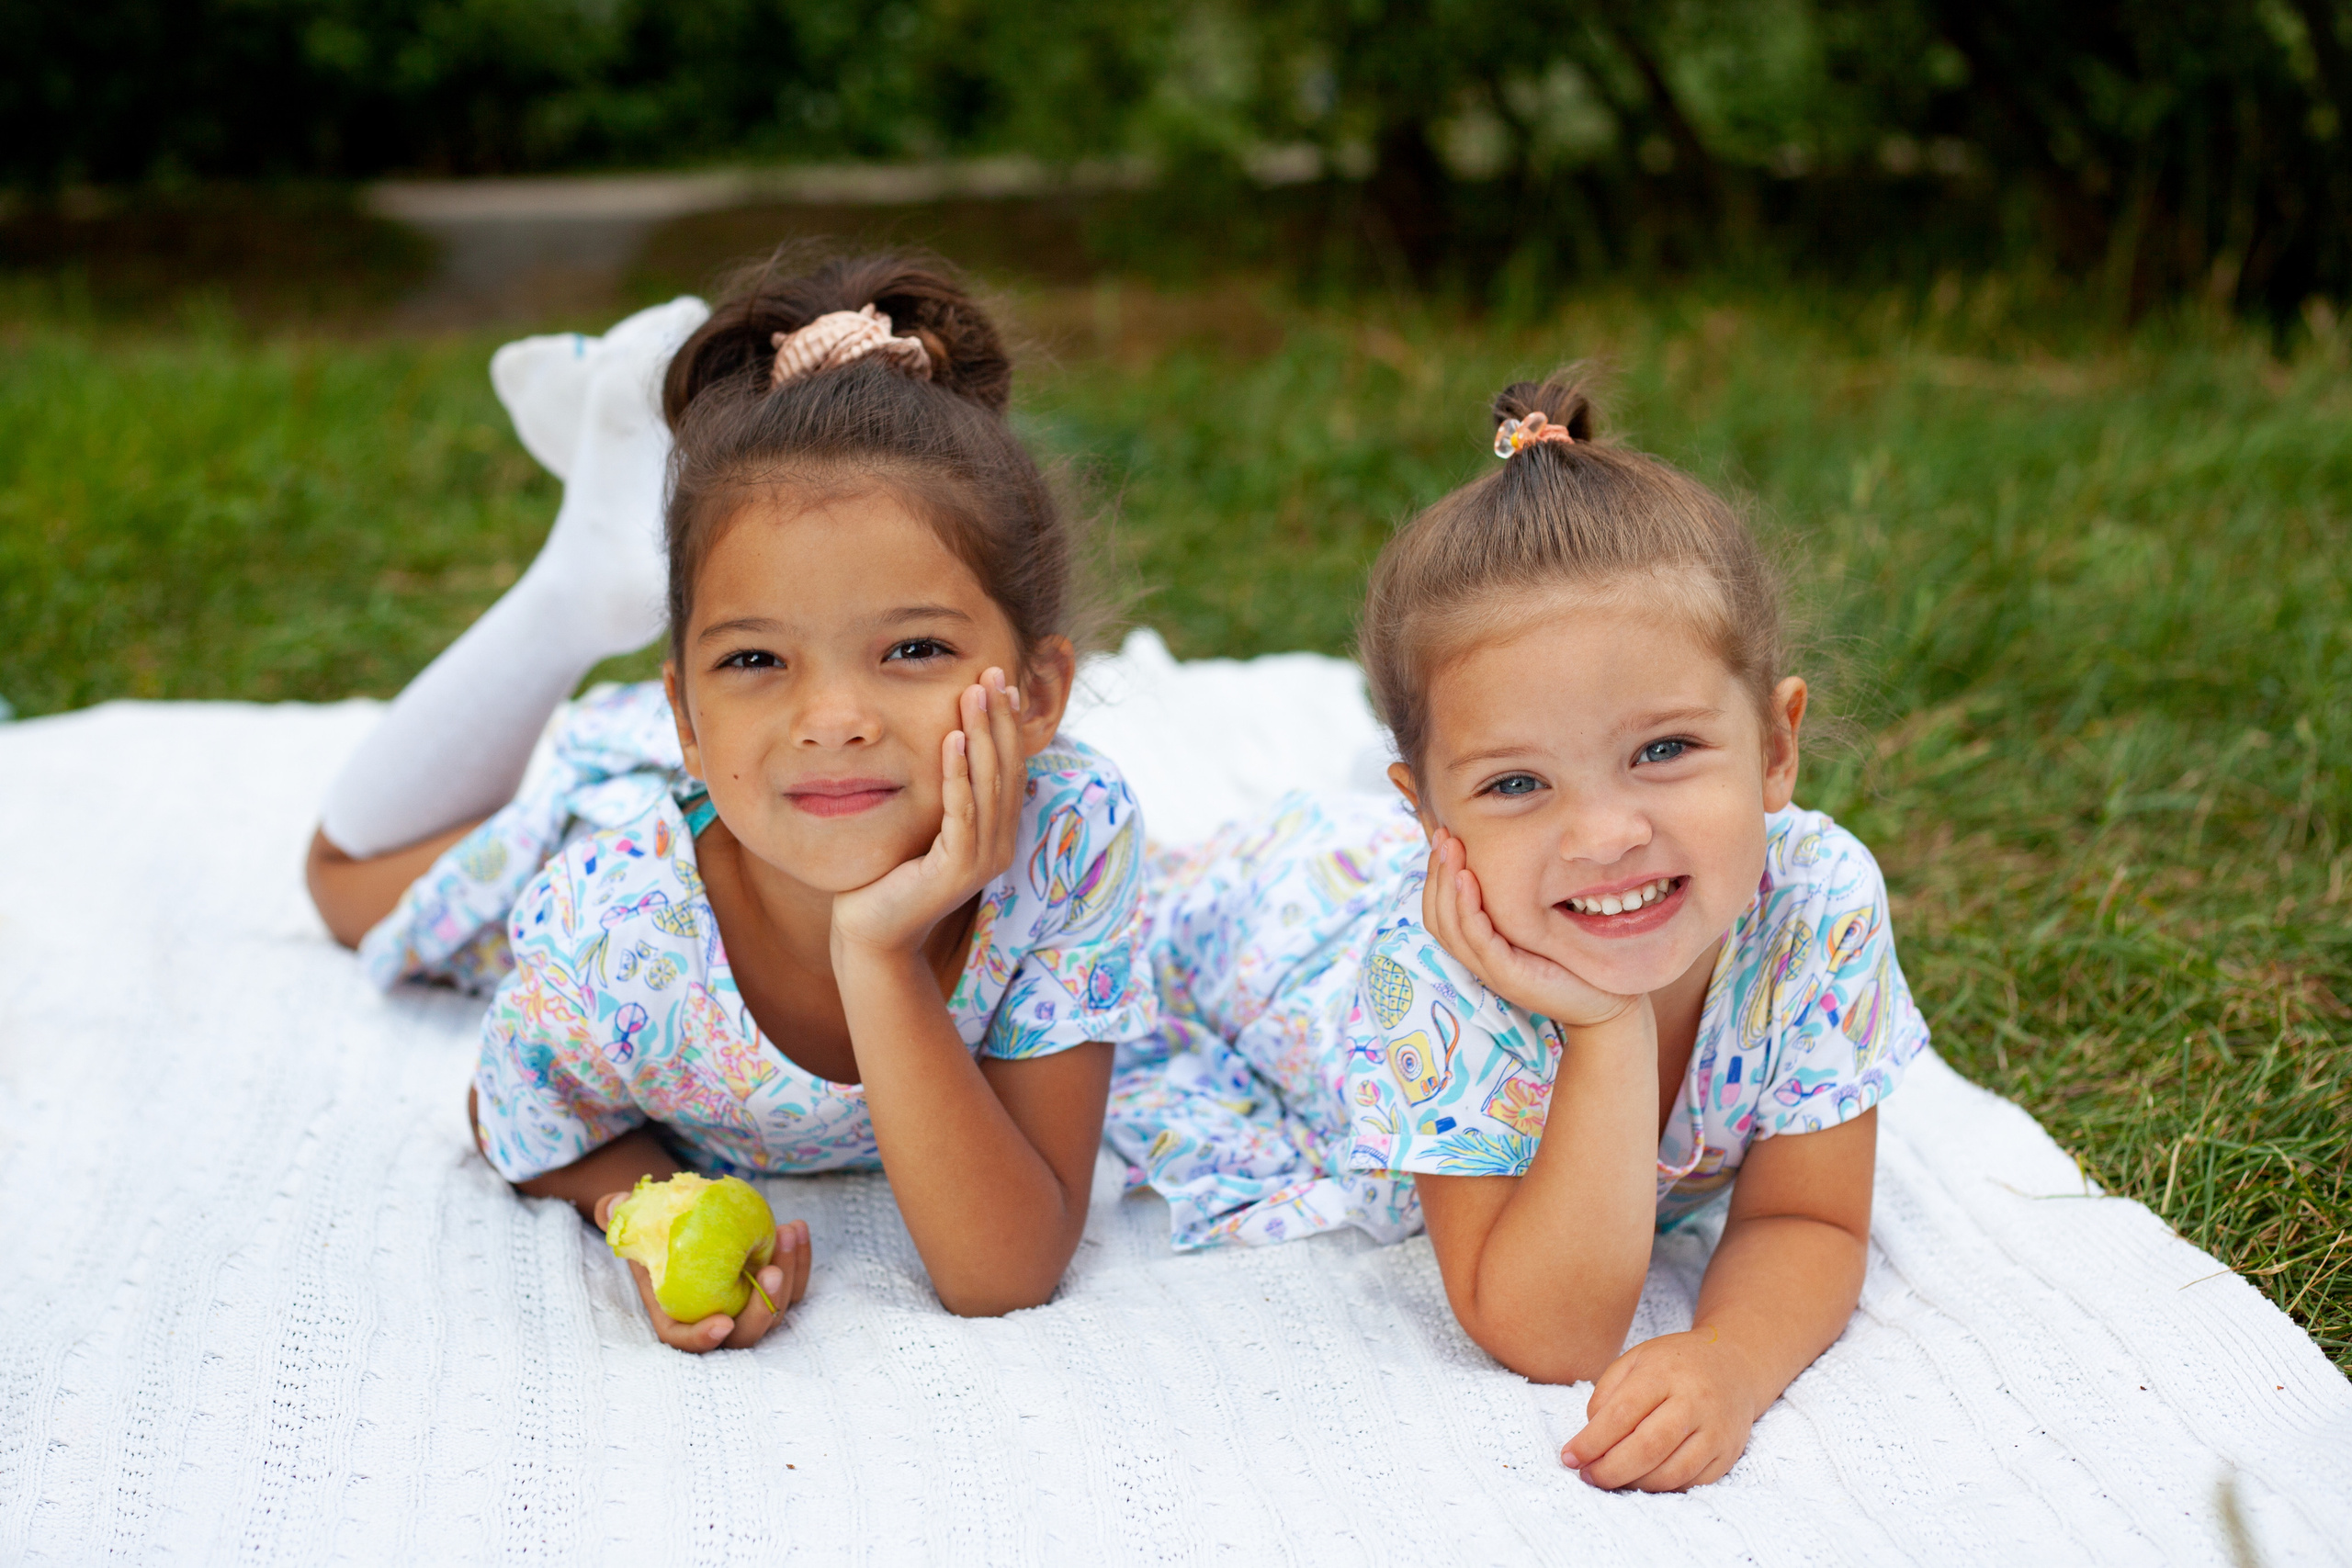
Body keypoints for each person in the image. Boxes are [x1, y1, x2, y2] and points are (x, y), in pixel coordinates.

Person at [307, 253, 1157, 1348]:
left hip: (766, 792)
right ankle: (578, 588)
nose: (835, 715)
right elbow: (512, 1110)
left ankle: (641, 577)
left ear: (1039, 694)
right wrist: (652, 1210)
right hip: (655, 823)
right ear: (687, 717)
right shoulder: (611, 934)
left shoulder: (1068, 837)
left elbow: (1003, 1269)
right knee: (341, 890)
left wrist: (879, 955)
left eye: (912, 647)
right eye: (757, 657)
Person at [1107, 374, 1928, 1492]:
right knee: (1167, 894)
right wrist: (1605, 1030)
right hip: (1289, 920)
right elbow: (1549, 1332)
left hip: (1381, 872)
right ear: (1429, 816)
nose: (1603, 835)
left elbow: (1809, 1217)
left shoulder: (1816, 902)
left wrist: (1731, 1360)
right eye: (1515, 782)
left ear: (1777, 748)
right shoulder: (1434, 969)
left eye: (1663, 751)